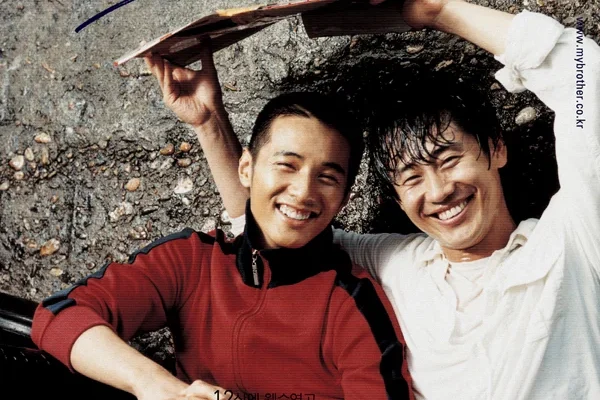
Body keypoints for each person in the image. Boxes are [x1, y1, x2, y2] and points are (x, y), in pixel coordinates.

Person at [190, 0, 600, 399]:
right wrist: (208, 123)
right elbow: (272, 227)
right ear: (398, 198)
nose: (438, 191)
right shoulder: (395, 265)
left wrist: (433, 10)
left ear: (496, 148)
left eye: (449, 160)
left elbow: (582, 68)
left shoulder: (575, 237)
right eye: (412, 177)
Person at [30, 74, 413, 398]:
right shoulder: (191, 262)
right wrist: (156, 386)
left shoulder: (354, 306)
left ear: (344, 199)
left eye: (327, 177)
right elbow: (59, 315)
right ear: (246, 168)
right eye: (287, 165)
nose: (302, 192)